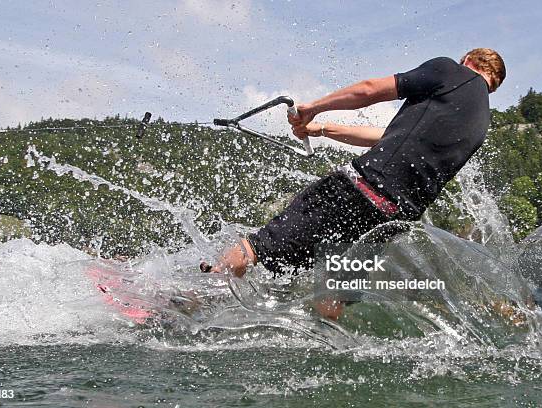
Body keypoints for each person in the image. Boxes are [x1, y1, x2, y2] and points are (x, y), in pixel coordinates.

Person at [200, 48, 506, 319]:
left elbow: (370, 90)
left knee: (252, 249)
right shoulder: (480, 123)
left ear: (468, 60)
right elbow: (389, 136)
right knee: (331, 297)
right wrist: (322, 129)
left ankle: (192, 306)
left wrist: (312, 108)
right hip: (390, 221)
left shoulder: (451, 70)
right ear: (492, 85)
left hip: (357, 191)